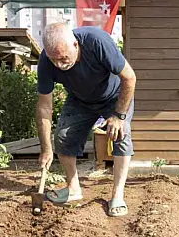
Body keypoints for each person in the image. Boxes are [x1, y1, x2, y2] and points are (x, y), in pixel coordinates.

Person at [35, 22, 136, 217]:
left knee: (121, 134)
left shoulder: (96, 41)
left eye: (63, 58)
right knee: (63, 136)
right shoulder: (46, 61)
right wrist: (46, 148)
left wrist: (119, 116)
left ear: (75, 44)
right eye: (54, 60)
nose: (60, 65)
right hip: (80, 99)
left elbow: (129, 78)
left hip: (114, 96)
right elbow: (44, 106)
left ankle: (117, 195)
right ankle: (73, 188)